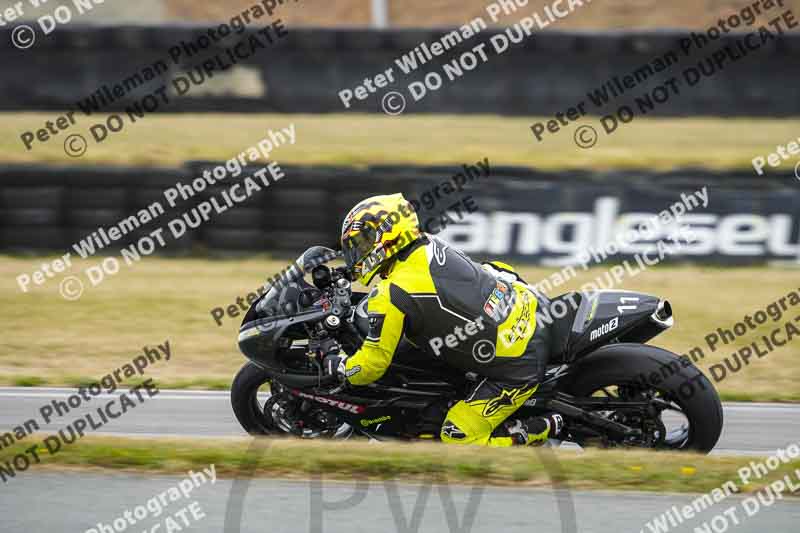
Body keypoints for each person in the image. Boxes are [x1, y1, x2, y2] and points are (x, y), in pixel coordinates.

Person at [324, 193, 564, 446]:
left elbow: (371, 366)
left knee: (457, 437)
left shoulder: (392, 294)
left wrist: (340, 367)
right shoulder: (429, 245)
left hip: (518, 363)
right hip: (530, 305)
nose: (359, 252)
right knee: (491, 268)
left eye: (363, 243)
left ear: (386, 236)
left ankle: (539, 429)